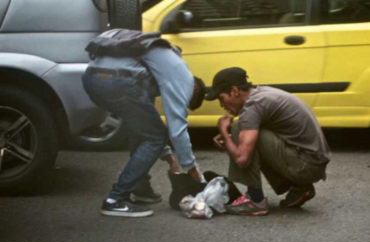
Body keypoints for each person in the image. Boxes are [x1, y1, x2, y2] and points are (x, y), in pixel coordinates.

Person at [82, 29, 206, 217]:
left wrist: (169, 157)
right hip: (119, 80)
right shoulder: (184, 77)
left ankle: (141, 189)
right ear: (194, 89)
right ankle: (115, 199)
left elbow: (147, 122)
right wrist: (192, 169)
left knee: (140, 129)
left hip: (92, 78)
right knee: (156, 137)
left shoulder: (154, 67)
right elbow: (177, 129)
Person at [206, 67, 331, 216]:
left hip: (306, 166)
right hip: (312, 162)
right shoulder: (261, 95)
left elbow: (242, 159)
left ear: (234, 91)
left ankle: (255, 200)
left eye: (221, 98)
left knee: (240, 127)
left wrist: (224, 133)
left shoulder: (253, 106)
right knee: (242, 129)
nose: (222, 105)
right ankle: (299, 187)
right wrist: (230, 136)